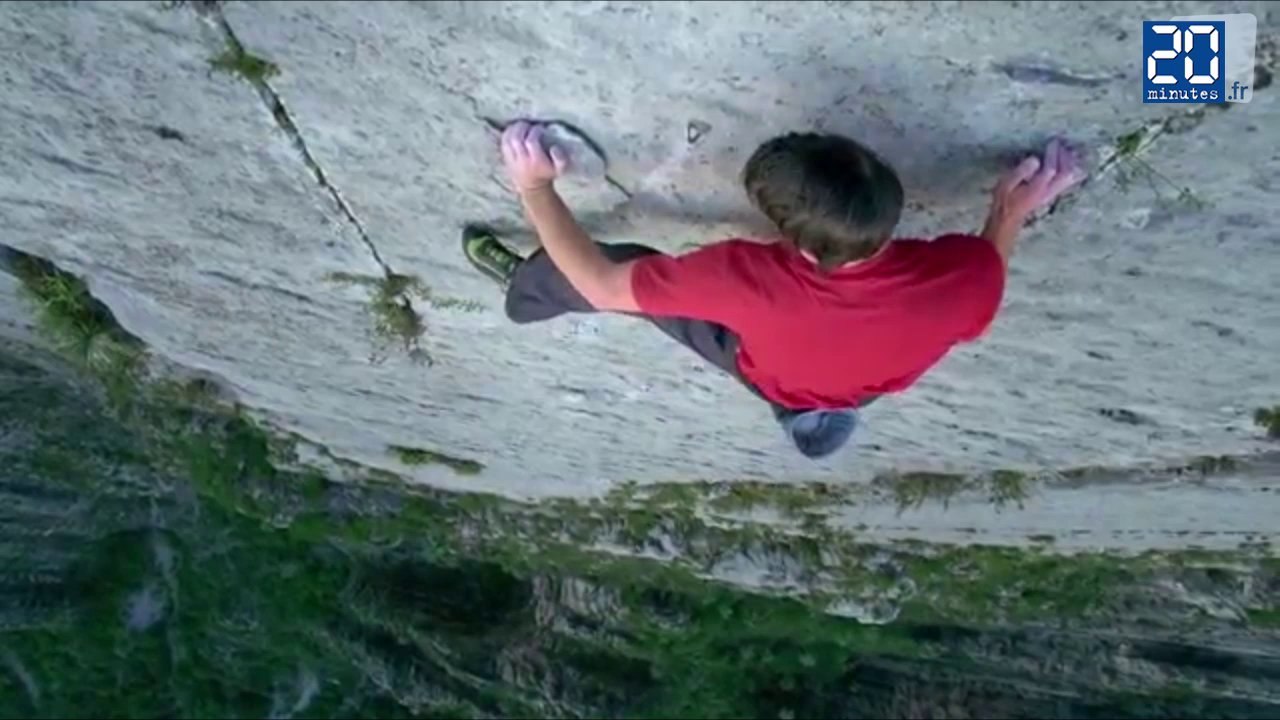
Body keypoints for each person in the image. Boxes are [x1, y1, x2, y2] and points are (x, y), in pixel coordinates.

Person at [464, 121, 1085, 458]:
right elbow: (986, 270)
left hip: (765, 360)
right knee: (829, 376)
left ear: (803, 248)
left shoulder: (744, 280)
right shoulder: (965, 279)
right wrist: (1009, 212)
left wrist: (534, 187)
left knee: (619, 263)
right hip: (859, 375)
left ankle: (526, 288)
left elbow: (601, 286)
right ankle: (816, 416)